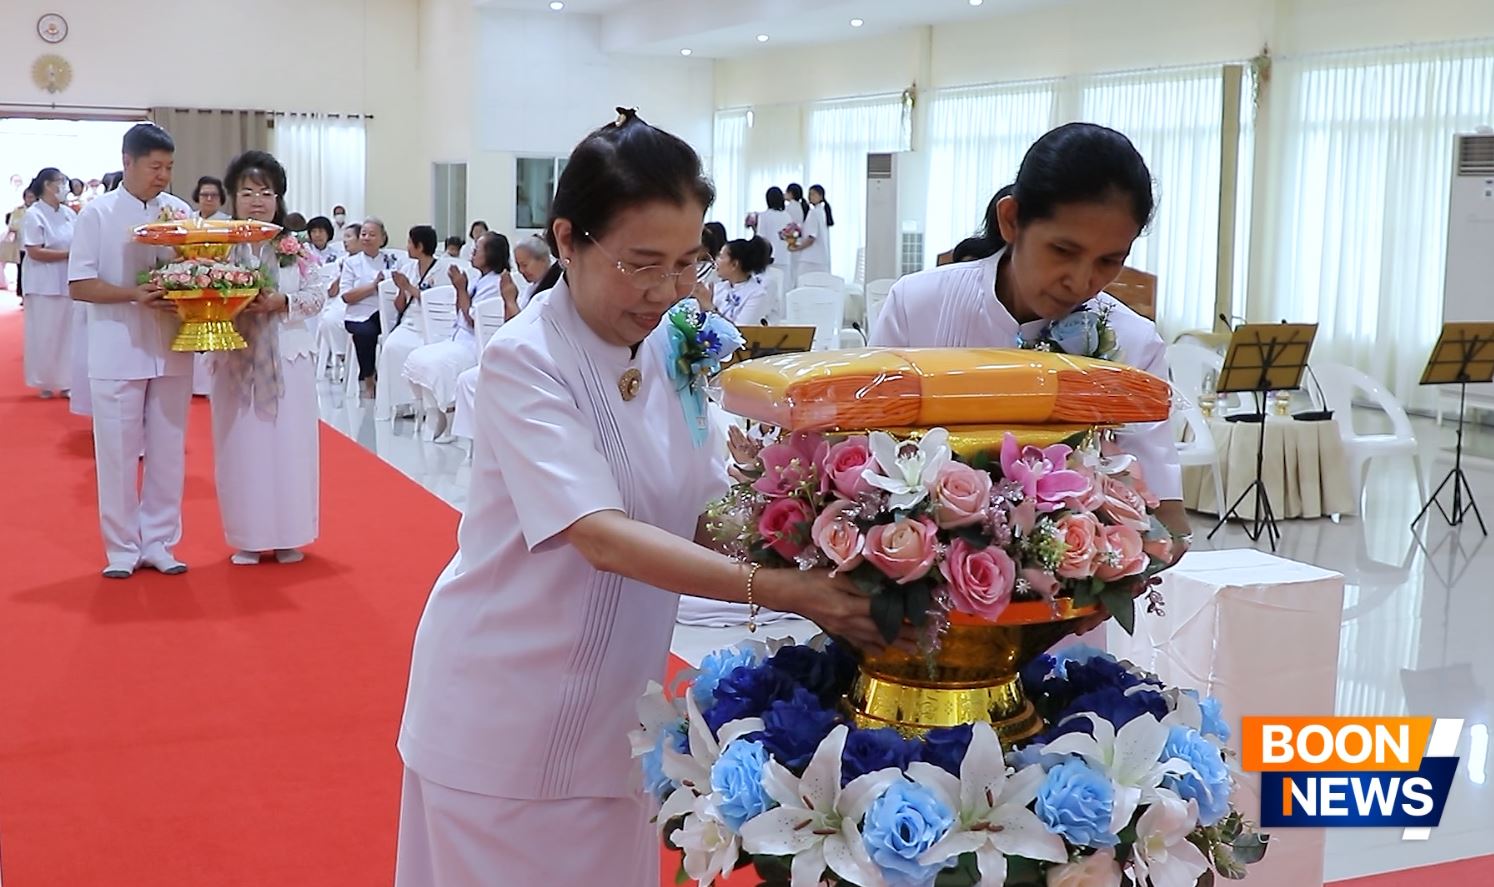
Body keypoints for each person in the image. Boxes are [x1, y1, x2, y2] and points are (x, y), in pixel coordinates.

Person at [394, 110, 906, 887]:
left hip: (618, 707)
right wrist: (781, 588)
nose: (667, 290)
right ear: (567, 239)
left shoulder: (672, 339)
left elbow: (698, 506)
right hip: (505, 701)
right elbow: (600, 533)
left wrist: (820, 532)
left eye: (686, 264)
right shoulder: (524, 359)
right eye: (640, 264)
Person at [870, 122, 1192, 560]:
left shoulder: (1134, 344)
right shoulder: (918, 304)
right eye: (1063, 250)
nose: (1081, 281)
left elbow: (1165, 521)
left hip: (1067, 610)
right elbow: (866, 459)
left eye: (1109, 260)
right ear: (1011, 220)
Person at [68, 122, 194, 579]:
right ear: (128, 163)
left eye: (169, 167)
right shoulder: (97, 214)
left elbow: (196, 268)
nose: (163, 175)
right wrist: (132, 295)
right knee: (118, 452)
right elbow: (80, 284)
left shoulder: (179, 212)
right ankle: (121, 547)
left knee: (167, 449)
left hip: (173, 346)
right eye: (155, 166)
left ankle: (160, 541)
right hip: (117, 345)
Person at [210, 149, 326, 565]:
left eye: (266, 192)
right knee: (242, 446)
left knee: (289, 445)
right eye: (247, 192)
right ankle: (249, 535)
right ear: (233, 197)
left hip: (288, 357)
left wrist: (282, 301)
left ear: (279, 198)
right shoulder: (219, 245)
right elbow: (201, 289)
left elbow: (318, 295)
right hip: (235, 358)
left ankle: (290, 533)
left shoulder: (292, 246)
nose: (257, 200)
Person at [403, 231, 518, 440]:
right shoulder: (479, 279)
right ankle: (436, 412)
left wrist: (461, 288)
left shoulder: (497, 283)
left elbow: (474, 321)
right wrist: (461, 289)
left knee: (436, 363)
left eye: (477, 250)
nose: (472, 253)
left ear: (490, 255)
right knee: (416, 358)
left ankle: (448, 416)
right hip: (458, 336)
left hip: (476, 343)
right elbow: (460, 311)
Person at [451, 254, 561, 441]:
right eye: (519, 265)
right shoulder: (530, 289)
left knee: (476, 380)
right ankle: (479, 440)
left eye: (525, 264)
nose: (522, 271)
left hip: (538, 356)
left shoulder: (552, 289)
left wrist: (510, 300)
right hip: (515, 349)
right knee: (468, 379)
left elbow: (526, 330)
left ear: (543, 261)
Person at [378, 225, 454, 417]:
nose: (407, 247)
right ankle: (400, 401)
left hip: (433, 324)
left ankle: (423, 403)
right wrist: (400, 289)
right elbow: (400, 306)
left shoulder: (443, 270)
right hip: (410, 322)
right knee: (391, 347)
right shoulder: (408, 268)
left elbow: (438, 302)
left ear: (420, 246)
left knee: (419, 351)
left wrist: (409, 287)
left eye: (410, 243)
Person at [20, 168, 78, 398]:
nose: (64, 187)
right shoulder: (34, 214)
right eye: (59, 182)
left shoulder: (68, 213)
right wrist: (68, 255)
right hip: (43, 282)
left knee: (67, 333)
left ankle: (66, 381)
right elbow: (35, 251)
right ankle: (44, 380)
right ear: (47, 185)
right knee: (44, 333)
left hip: (67, 280)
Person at [340, 216, 396, 398]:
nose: (366, 238)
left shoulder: (393, 260)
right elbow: (347, 296)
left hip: (388, 313)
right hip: (359, 313)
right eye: (363, 234)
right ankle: (368, 379)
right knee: (365, 333)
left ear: (382, 238)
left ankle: (394, 384)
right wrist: (374, 285)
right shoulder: (351, 263)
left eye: (372, 235)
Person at [712, 236, 772, 327]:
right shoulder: (719, 287)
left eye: (721, 257)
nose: (716, 261)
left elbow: (740, 332)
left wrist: (709, 307)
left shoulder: (757, 294)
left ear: (734, 264)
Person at [790, 183, 832, 279]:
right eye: (809, 194)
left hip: (810, 258)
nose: (810, 197)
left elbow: (811, 237)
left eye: (813, 194)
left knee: (802, 285)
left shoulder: (814, 213)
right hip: (821, 258)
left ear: (821, 196)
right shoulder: (822, 212)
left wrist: (797, 248)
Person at [748, 186, 792, 270]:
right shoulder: (787, 216)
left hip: (768, 258)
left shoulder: (764, 216)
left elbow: (761, 238)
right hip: (785, 257)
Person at [3, 188, 37, 294]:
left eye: (33, 197)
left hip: (38, 243)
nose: (31, 200)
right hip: (22, 244)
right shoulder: (18, 211)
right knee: (22, 269)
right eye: (29, 197)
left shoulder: (39, 210)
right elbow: (12, 225)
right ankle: (22, 293)